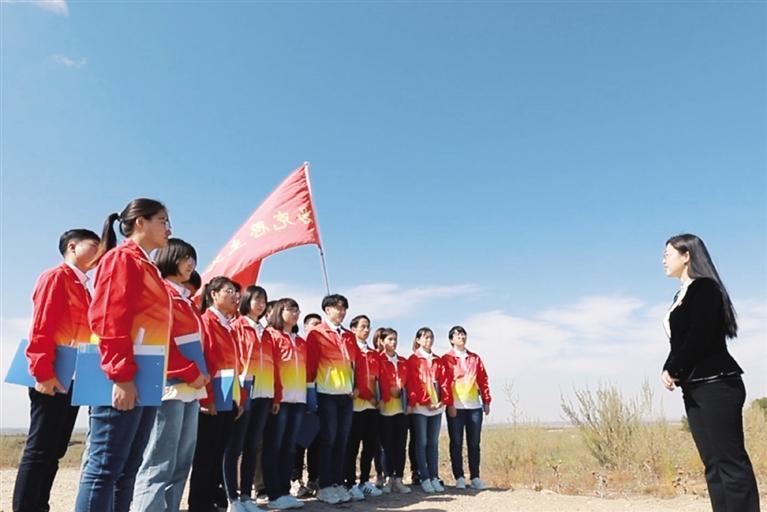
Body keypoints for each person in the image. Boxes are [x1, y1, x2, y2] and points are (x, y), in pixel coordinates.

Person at [75, 199, 173, 512]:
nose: (169, 228)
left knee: (127, 468)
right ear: (140, 222)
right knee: (104, 468)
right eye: (162, 220)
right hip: (122, 375)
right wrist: (120, 375)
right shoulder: (122, 259)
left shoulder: (147, 266)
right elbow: (109, 319)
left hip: (145, 374)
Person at [661, 234, 760, 512]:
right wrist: (669, 367)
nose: (663, 260)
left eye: (668, 254)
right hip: (694, 387)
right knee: (713, 465)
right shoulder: (680, 295)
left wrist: (674, 367)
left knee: (730, 463)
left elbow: (700, 335)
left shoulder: (705, 288)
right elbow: (680, 341)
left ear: (687, 256)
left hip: (718, 385)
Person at [13, 229, 100, 512]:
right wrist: (42, 372)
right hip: (51, 375)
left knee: (55, 449)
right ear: (72, 247)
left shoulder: (84, 288)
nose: (99, 252)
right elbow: (42, 325)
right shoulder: (56, 277)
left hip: (73, 376)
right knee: (39, 449)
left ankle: (40, 505)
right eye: (94, 245)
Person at [132, 238, 210, 512]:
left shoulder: (185, 301)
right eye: (185, 258)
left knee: (180, 462)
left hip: (191, 388)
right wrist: (188, 371)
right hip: (170, 385)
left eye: (193, 259)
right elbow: (160, 339)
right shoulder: (160, 293)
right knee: (159, 461)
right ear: (168, 258)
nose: (191, 264)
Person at [188, 276, 244, 512]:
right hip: (211, 398)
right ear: (213, 294)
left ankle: (212, 499)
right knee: (206, 454)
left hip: (228, 396)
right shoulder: (205, 322)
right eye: (229, 291)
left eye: (235, 292)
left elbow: (235, 365)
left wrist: (239, 399)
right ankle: (199, 504)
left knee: (219, 451)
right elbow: (203, 361)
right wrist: (207, 398)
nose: (235, 296)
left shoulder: (228, 325)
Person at [225, 286, 281, 512]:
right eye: (256, 299)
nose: (260, 304)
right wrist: (237, 394)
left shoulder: (266, 332)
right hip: (243, 394)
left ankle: (247, 496)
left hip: (264, 394)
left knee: (252, 446)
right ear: (246, 301)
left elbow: (274, 365)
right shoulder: (237, 326)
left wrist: (276, 395)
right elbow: (232, 360)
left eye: (264, 301)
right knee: (234, 447)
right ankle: (232, 498)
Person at [306, 294, 359, 505]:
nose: (342, 311)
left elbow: (355, 365)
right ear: (327, 310)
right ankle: (325, 485)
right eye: (338, 307)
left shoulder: (348, 336)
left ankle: (337, 482)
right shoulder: (317, 334)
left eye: (344, 308)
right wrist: (311, 394)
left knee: (342, 440)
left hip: (346, 395)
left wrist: (355, 386)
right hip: (326, 393)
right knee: (328, 439)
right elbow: (310, 366)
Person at [263, 298, 307, 510]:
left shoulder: (300, 341)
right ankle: (273, 493)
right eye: (291, 309)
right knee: (274, 445)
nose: (295, 313)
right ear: (280, 311)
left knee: (289, 447)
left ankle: (284, 490)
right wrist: (276, 396)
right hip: (279, 399)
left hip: (298, 399)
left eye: (297, 310)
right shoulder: (271, 335)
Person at [442, 326, 491, 490]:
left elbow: (483, 380)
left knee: (474, 443)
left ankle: (475, 477)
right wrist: (449, 404)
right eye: (457, 335)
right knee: (456, 442)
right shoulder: (446, 359)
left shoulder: (475, 358)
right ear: (451, 339)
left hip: (474, 407)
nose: (461, 337)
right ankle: (459, 477)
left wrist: (486, 400)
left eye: (463, 334)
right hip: (456, 406)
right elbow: (444, 384)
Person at [407, 327, 453, 494]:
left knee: (433, 443)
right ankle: (424, 477)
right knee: (422, 442)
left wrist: (443, 401)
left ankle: (434, 476)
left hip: (437, 408)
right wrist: (425, 401)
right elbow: (413, 383)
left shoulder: (438, 360)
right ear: (418, 340)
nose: (429, 340)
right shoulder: (413, 360)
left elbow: (445, 382)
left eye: (431, 337)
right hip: (421, 408)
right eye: (425, 337)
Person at [344, 315, 383, 499]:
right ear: (353, 329)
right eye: (362, 326)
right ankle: (350, 482)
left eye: (368, 327)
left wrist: (380, 398)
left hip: (372, 407)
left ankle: (365, 481)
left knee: (370, 445)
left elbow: (379, 379)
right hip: (355, 406)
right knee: (352, 447)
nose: (366, 330)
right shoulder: (350, 350)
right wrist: (365, 394)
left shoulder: (374, 354)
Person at [376, 328, 412, 494]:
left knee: (400, 445)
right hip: (385, 409)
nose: (393, 342)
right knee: (387, 446)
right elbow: (376, 380)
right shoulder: (378, 359)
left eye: (395, 339)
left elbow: (410, 383)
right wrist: (386, 394)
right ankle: (388, 477)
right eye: (390, 339)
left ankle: (399, 478)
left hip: (401, 409)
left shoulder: (403, 361)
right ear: (382, 341)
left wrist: (410, 402)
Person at [291, 313, 322, 499]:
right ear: (305, 327)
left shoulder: (324, 346)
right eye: (313, 324)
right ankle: (295, 480)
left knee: (316, 442)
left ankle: (314, 479)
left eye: (319, 324)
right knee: (298, 442)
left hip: (319, 397)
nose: (317, 328)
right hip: (299, 397)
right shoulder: (299, 344)